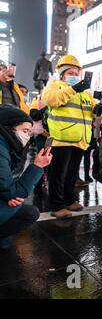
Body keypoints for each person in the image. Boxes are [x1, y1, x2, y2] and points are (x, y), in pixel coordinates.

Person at [41, 54, 97, 218]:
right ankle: (57, 206)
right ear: (62, 74)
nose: (73, 76)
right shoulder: (54, 87)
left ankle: (69, 200)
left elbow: (92, 108)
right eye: (70, 73)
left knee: (72, 174)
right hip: (61, 138)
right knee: (58, 174)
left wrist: (99, 110)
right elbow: (51, 100)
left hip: (80, 139)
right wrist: (73, 89)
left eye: (75, 73)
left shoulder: (85, 92)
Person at [0, 105, 52, 250]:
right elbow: (14, 192)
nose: (27, 136)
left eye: (29, 133)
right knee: (20, 208)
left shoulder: (6, 145)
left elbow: (6, 185)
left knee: (25, 210)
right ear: (8, 127)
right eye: (24, 131)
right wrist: (37, 166)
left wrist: (10, 195)